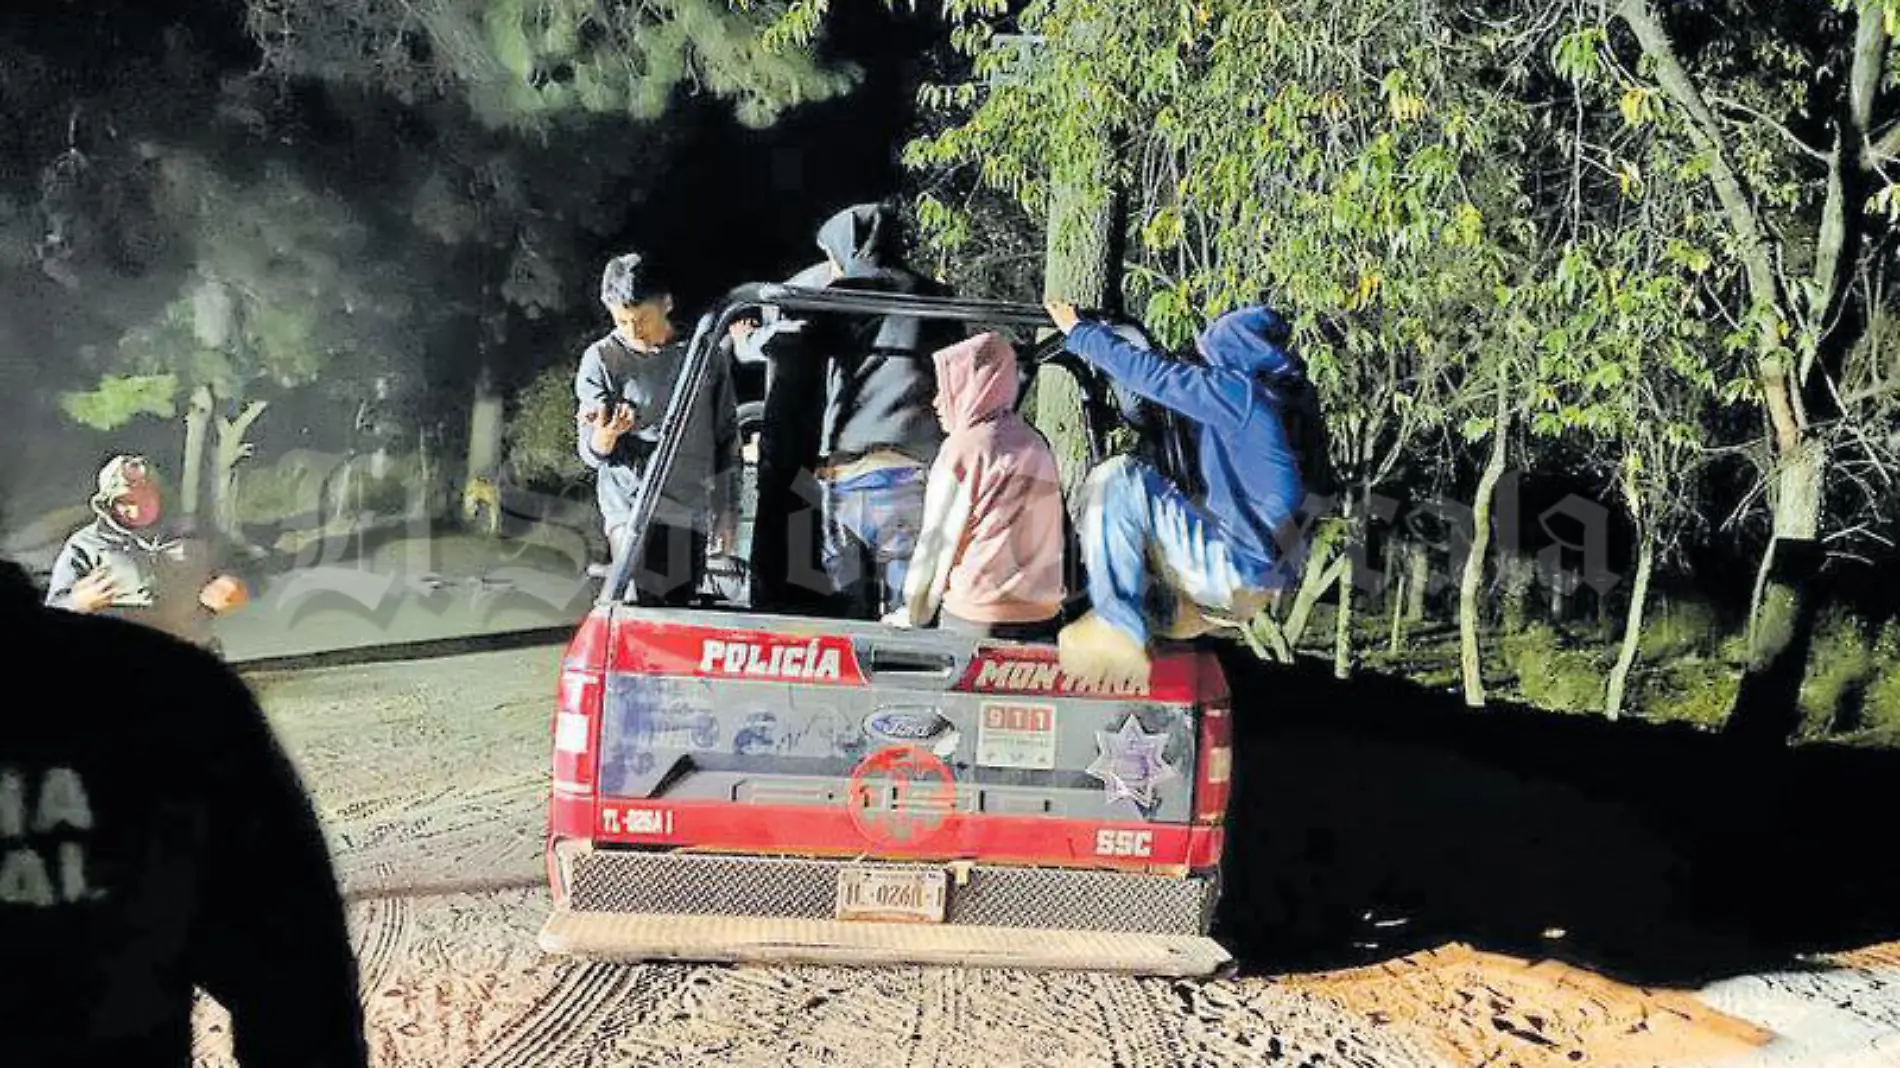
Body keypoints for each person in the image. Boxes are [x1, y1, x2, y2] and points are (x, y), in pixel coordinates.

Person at [0, 556, 368, 1066]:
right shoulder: (168, 690)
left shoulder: (164, 700)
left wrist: (227, 590)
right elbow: (296, 982)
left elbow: (290, 974)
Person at [1045, 300, 1310, 686]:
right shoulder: (1271, 405)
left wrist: (1080, 333)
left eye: (1207, 354)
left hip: (1230, 566)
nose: (1201, 364)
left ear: (1230, 350)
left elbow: (1158, 378)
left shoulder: (1241, 395)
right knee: (1151, 488)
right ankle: (1127, 616)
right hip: (1248, 578)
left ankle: (1116, 627)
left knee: (1118, 476)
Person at [799, 203, 962, 619]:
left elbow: (793, 351)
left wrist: (746, 340)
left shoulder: (840, 299)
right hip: (911, 474)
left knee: (845, 618)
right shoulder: (937, 298)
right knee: (905, 616)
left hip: (847, 478)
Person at [577, 252, 739, 606]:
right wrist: (605, 437)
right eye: (622, 322)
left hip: (690, 513)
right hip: (632, 511)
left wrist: (727, 511)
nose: (634, 331)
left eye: (642, 319)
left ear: (666, 304)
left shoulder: (705, 358)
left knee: (677, 620)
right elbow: (590, 451)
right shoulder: (603, 360)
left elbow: (727, 438)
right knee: (639, 614)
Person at [883, 332, 1066, 641]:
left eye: (948, 388)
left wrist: (914, 616)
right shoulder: (1035, 443)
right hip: (1042, 615)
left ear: (973, 389)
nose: (938, 402)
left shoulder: (964, 450)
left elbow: (936, 545)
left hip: (978, 617)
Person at [45, 454, 249, 651]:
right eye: (123, 501)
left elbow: (244, 570)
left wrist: (233, 587)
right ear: (106, 504)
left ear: (159, 494)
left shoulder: (197, 533)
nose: (135, 509)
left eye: (143, 497)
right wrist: (79, 602)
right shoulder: (86, 545)